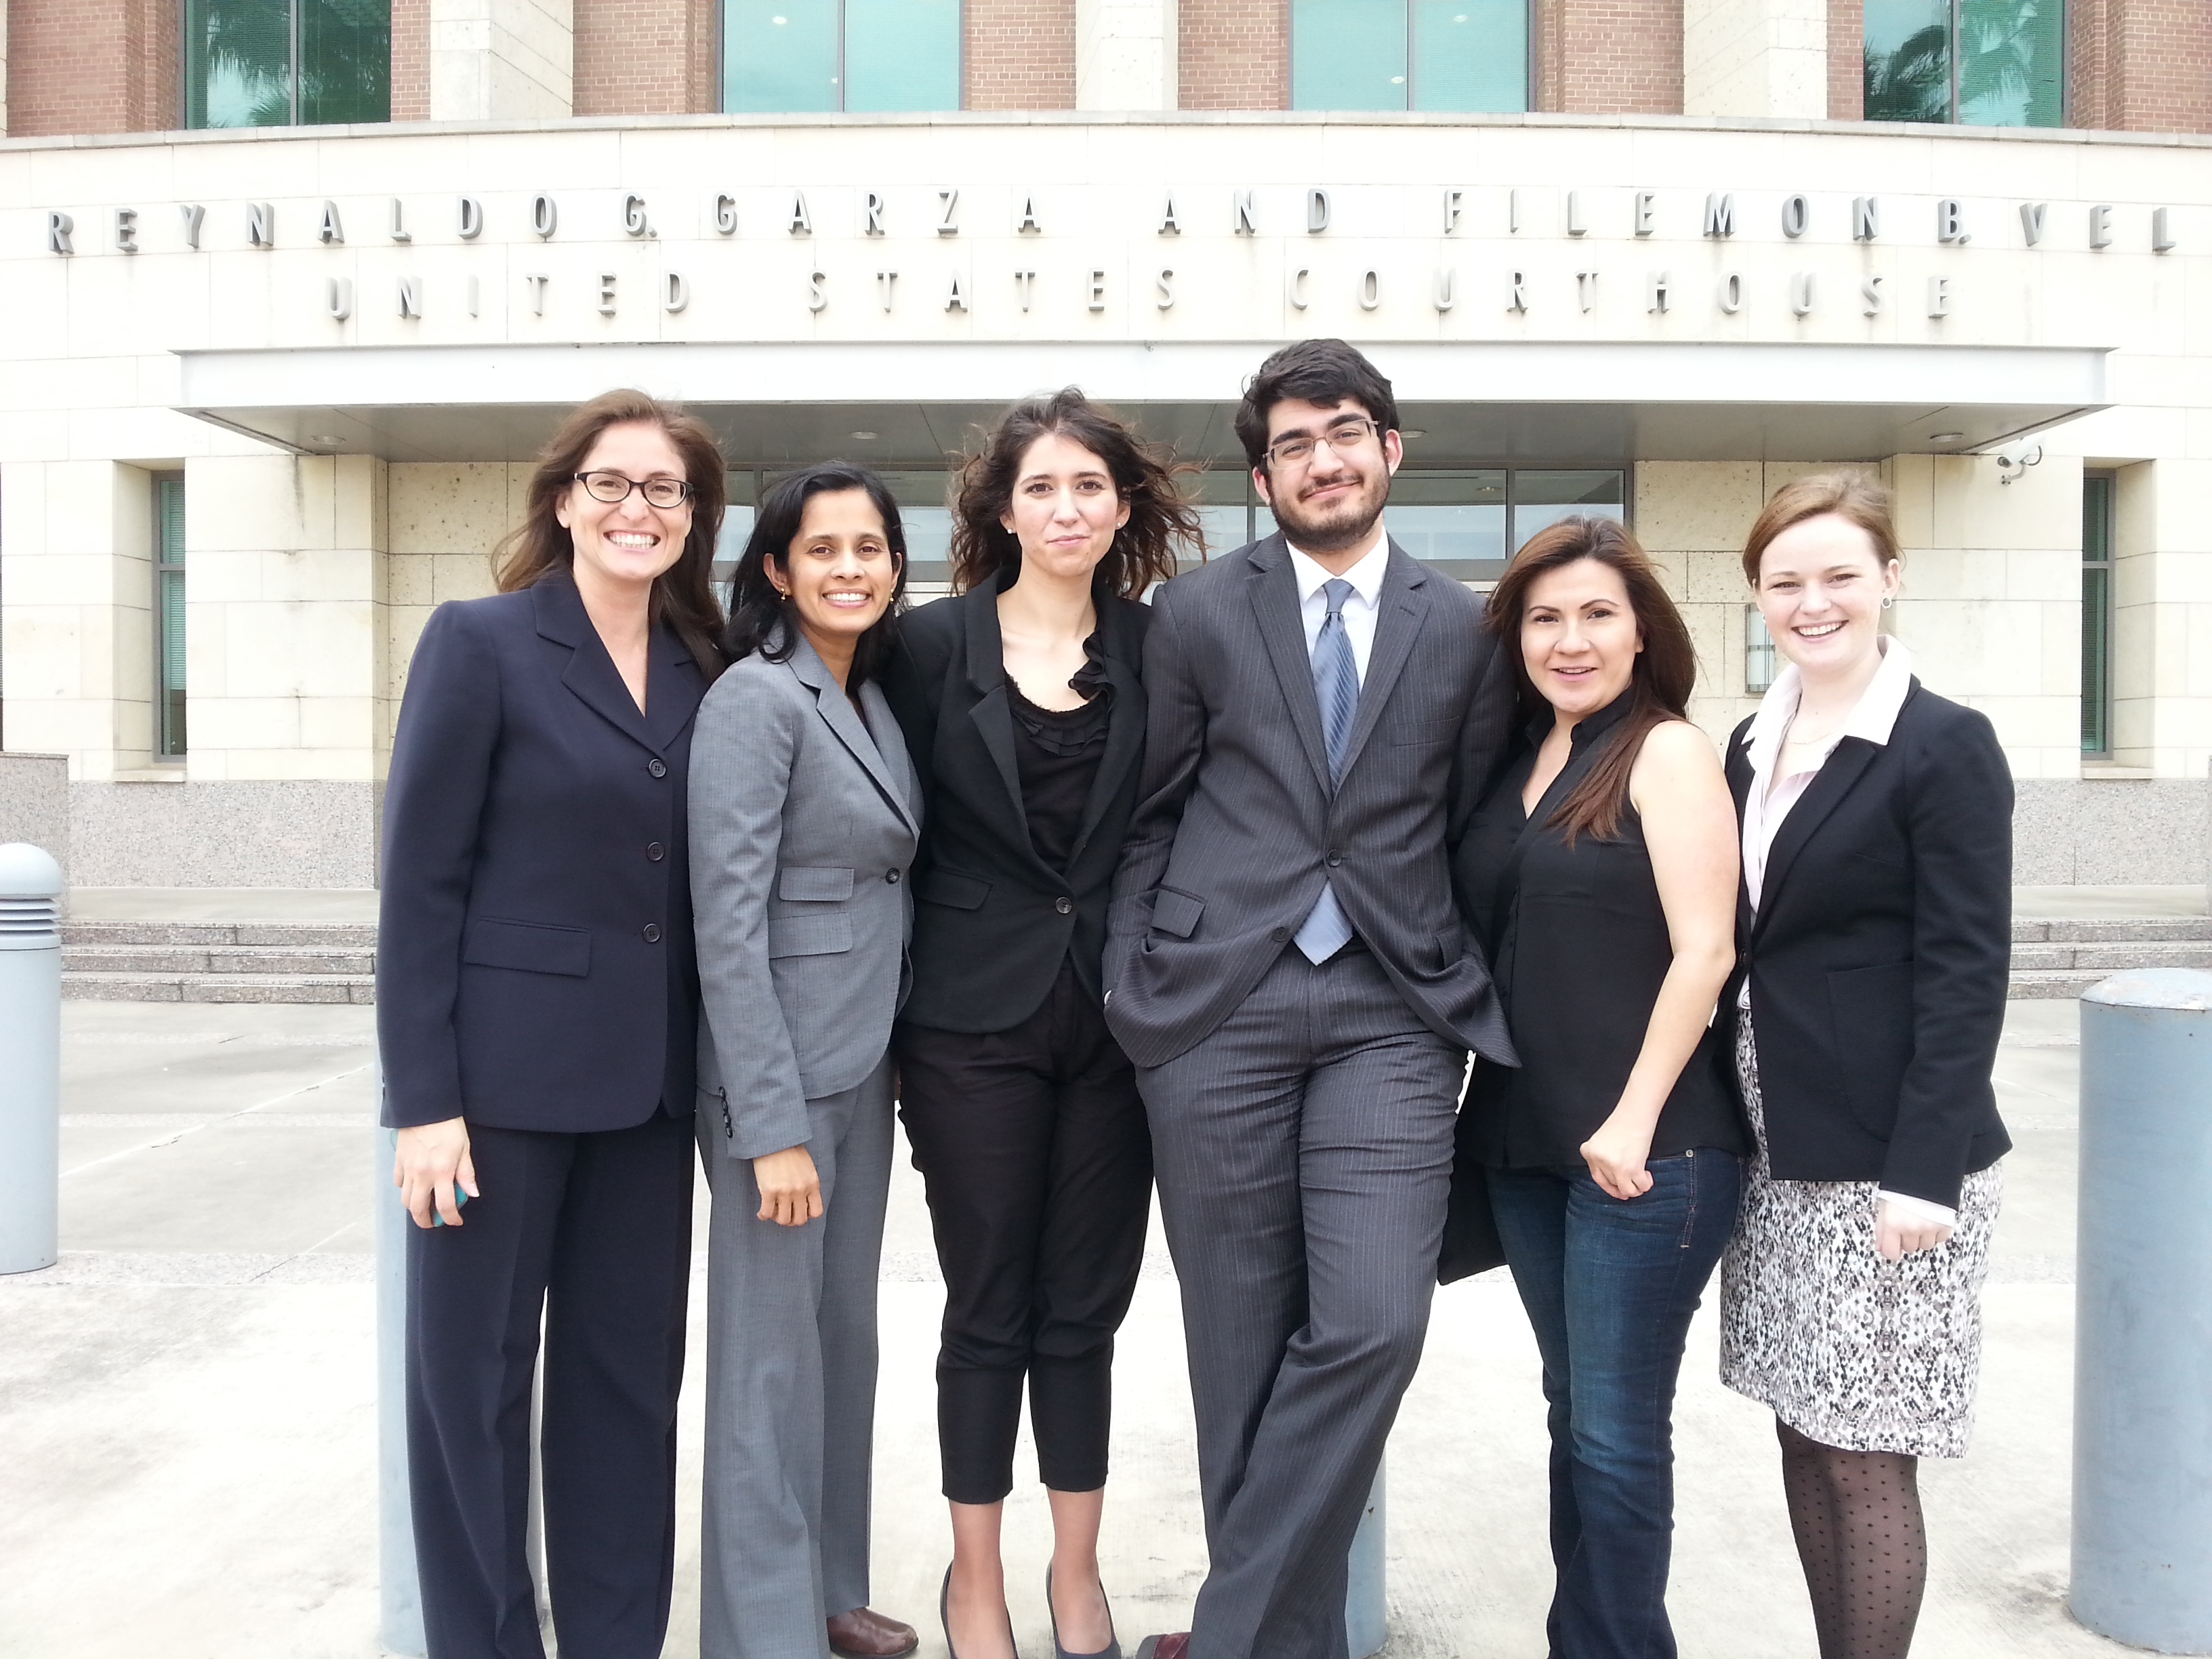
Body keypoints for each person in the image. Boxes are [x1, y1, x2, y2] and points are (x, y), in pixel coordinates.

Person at [1104, 340, 1519, 1659]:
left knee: (1375, 1323)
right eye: (1292, 443)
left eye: (1344, 432)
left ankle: (1227, 1633)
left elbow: (1469, 822)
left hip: (1389, 1014)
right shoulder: (1198, 614)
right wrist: (1141, 982)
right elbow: (1148, 810)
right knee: (1235, 1351)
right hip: (1214, 1009)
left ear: (1391, 450)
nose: (1322, 460)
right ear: (1262, 473)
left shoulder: (1465, 627)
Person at [380, 388, 726, 1659]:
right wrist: (423, 1101)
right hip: (495, 1094)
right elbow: (420, 884)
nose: (639, 509)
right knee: (469, 1395)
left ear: (695, 516)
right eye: (614, 483)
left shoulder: (712, 667)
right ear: (566, 497)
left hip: (651, 1097)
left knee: (626, 1391)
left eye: (667, 490)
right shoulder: (480, 642)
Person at [882, 390, 1203, 1659]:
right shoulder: (923, 649)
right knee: (988, 1302)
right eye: (1041, 487)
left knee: (1088, 1307)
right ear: (1001, 509)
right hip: (969, 1024)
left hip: (1119, 1025)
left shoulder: (1161, 645)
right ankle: (975, 1582)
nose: (1066, 508)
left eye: (1089, 486)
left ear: (1122, 507)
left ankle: (1077, 1573)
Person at [1718, 472, 2013, 1659]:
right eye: (1786, 582)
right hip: (1780, 1148)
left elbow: (1964, 969)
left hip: (1892, 1164)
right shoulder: (1750, 737)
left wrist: (1924, 1173)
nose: (1813, 601)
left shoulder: (1942, 743)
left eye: (1839, 574)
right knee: (1803, 1428)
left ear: (1889, 578)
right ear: (1759, 598)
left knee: (1866, 1447)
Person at [1455, 517, 1744, 1659]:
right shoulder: (1521, 759)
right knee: (1573, 1417)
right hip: (1528, 1142)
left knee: (1619, 1435)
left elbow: (1706, 951)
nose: (1570, 639)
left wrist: (1629, 1116)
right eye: (1545, 617)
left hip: (1651, 1151)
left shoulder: (1665, 751)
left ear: (1641, 634)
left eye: (1597, 615)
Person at [689, 462, 922, 1659]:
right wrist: (767, 1123)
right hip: (782, 1082)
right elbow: (725, 921)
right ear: (777, 570)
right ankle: (759, 1630)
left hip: (860, 1062)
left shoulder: (864, 694)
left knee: (843, 1342)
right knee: (767, 1363)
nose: (850, 569)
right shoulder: (756, 696)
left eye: (870, 549)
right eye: (823, 550)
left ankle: (832, 1591)